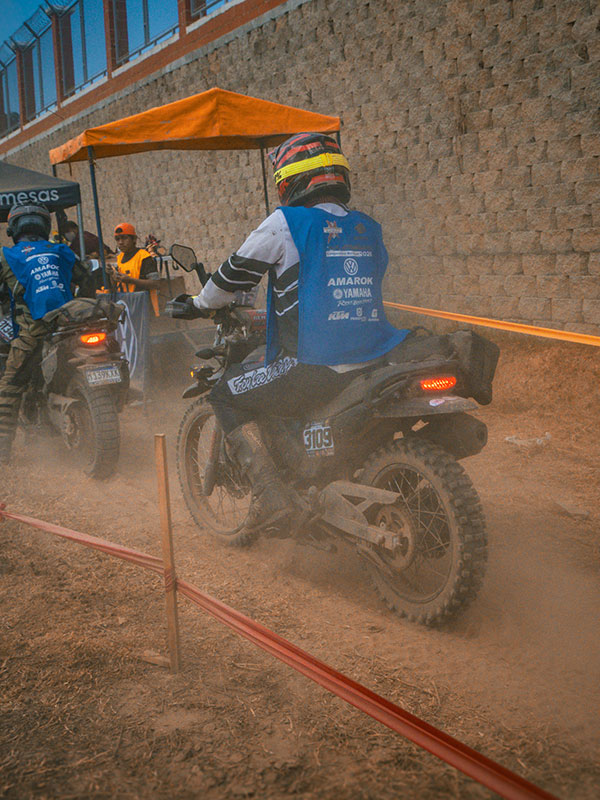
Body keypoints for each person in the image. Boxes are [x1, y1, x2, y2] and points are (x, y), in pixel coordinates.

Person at [178, 132, 409, 531]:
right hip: (376, 356)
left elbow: (233, 273)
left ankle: (271, 498)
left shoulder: (287, 223)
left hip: (313, 365)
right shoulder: (368, 227)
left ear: (289, 181)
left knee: (226, 392)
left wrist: (200, 303)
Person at [0, 203, 95, 463]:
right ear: (45, 225)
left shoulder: (7, 256)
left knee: (10, 384)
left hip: (34, 330)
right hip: (70, 324)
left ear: (13, 229)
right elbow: (87, 279)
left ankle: (3, 450)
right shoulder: (61, 250)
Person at [112, 222, 160, 292]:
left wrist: (131, 280)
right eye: (117, 239)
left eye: (124, 238)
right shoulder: (119, 258)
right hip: (125, 298)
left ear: (134, 239)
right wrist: (112, 275)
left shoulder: (144, 257)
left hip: (144, 298)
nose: (120, 242)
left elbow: (156, 284)